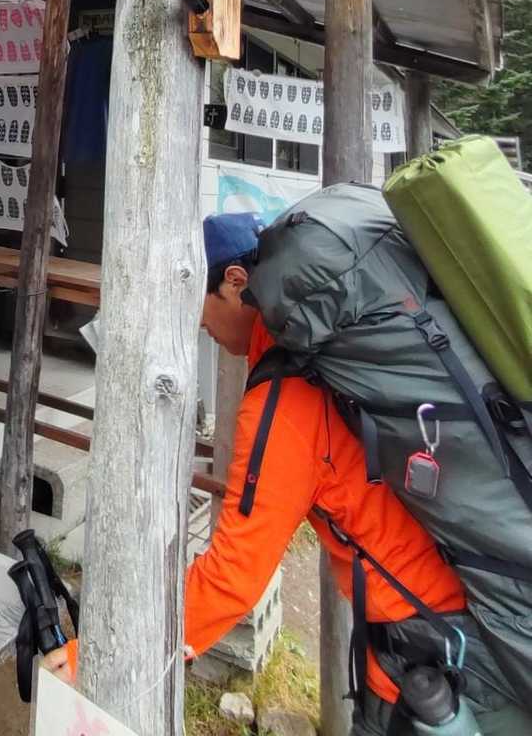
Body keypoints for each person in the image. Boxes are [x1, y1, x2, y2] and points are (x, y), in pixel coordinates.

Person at [43, 213, 524, 734]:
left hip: (434, 660)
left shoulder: (285, 399)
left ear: (235, 282)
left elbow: (233, 577)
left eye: (193, 301)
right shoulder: (325, 358)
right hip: (461, 625)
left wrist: (94, 656)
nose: (198, 326)